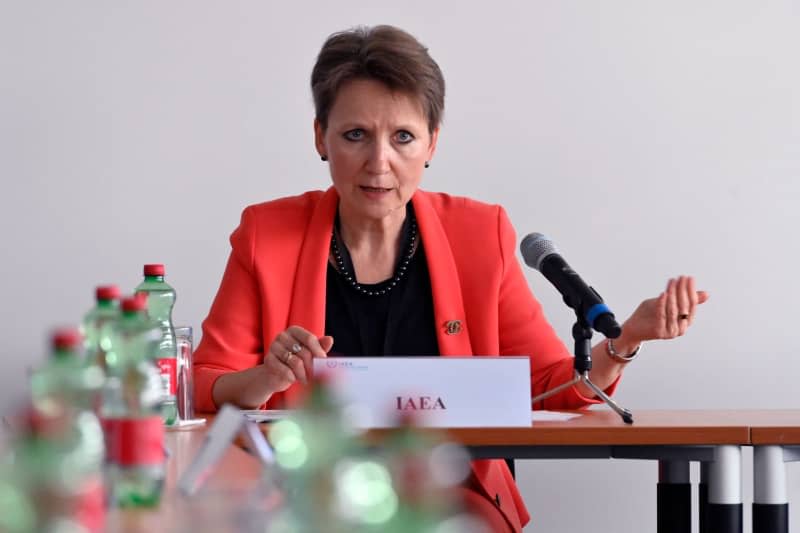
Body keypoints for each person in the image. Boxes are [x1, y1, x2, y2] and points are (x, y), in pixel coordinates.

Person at [193, 25, 708, 533]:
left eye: (403, 137)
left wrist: (627, 339)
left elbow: (552, 388)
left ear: (432, 143)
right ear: (320, 137)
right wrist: (267, 378)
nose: (380, 162)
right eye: (355, 135)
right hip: (311, 494)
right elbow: (202, 382)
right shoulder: (267, 234)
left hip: (449, 493)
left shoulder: (480, 234)